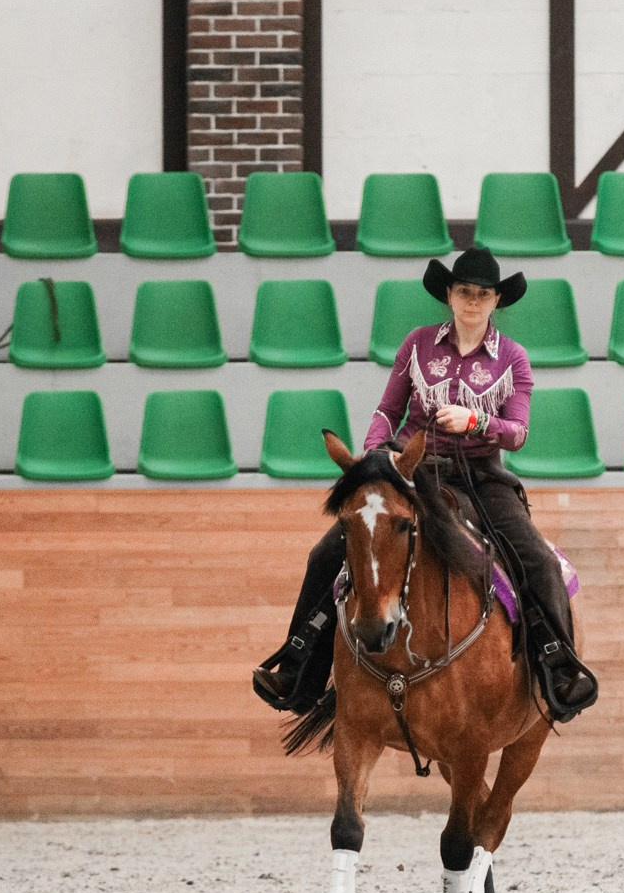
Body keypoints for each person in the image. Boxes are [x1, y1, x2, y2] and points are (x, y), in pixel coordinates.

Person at [252, 246, 599, 722]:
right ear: (449, 297)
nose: (472, 302)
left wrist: (475, 421)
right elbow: (387, 411)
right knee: (327, 554)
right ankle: (298, 668)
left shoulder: (514, 359)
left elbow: (518, 432)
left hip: (481, 477)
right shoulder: (416, 344)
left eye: (482, 294)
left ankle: (558, 666)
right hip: (413, 474)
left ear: (497, 300)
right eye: (463, 292)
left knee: (536, 559)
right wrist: (377, 458)